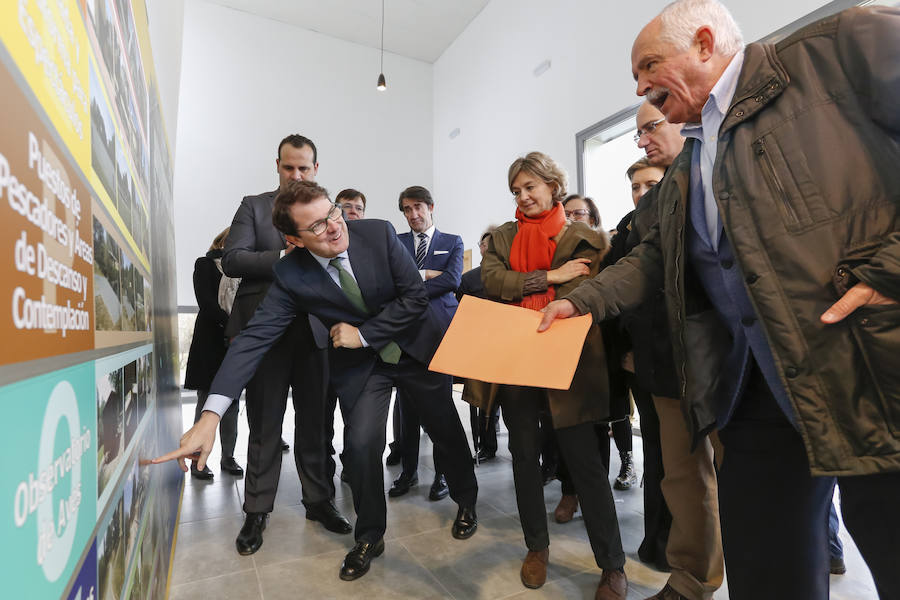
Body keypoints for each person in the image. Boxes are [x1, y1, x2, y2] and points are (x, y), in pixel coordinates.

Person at [540, 3, 900, 598]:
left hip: (872, 366)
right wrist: (583, 302)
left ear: (705, 43)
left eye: (648, 65)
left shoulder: (839, 47)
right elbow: (657, 256)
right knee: (764, 558)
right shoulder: (690, 159)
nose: (639, 88)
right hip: (755, 386)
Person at [155, 180, 479, 582]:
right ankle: (370, 536)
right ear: (293, 239)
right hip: (365, 368)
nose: (333, 226)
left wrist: (363, 334)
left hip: (414, 347)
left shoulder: (377, 233)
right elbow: (254, 339)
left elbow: (413, 297)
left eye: (333, 213)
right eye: (317, 226)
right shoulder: (291, 274)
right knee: (360, 446)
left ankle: (467, 501)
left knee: (445, 429)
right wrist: (210, 415)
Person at [479, 152, 627, 599]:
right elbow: (491, 281)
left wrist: (534, 281)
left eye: (530, 187)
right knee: (524, 458)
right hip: (517, 362)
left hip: (570, 364)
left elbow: (579, 290)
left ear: (552, 185)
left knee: (586, 465)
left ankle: (612, 564)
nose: (523, 197)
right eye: (516, 191)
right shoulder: (502, 236)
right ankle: (536, 547)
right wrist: (549, 275)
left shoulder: (585, 237)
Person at [221, 134, 349, 556]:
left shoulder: (326, 214)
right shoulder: (253, 206)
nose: (296, 175)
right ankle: (256, 510)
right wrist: (281, 257)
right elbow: (234, 258)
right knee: (265, 425)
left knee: (315, 424)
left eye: (304, 168)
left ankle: (319, 502)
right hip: (264, 331)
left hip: (316, 330)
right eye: (288, 167)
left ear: (316, 170)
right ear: (277, 166)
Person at [391, 185, 464, 501]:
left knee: (441, 410)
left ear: (431, 207)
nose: (413, 214)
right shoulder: (396, 242)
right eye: (407, 209)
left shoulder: (452, 241)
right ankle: (408, 473)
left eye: (418, 207)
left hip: (440, 334)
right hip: (406, 336)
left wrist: (413, 281)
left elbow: (452, 280)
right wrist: (426, 275)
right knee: (407, 411)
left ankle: (442, 475)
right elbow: (392, 283)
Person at [562, 194, 637, 493]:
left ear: (592, 217)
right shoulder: (559, 253)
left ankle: (626, 462)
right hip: (572, 344)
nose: (571, 218)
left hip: (606, 342)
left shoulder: (609, 249)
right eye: (566, 213)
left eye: (578, 213)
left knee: (614, 413)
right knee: (584, 421)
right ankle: (576, 488)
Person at [183, 227, 242, 479]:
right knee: (206, 400)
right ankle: (198, 459)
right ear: (221, 240)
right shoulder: (204, 264)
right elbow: (206, 302)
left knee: (233, 403)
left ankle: (228, 457)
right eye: (233, 239)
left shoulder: (245, 269)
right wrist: (231, 325)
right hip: (211, 340)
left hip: (237, 341)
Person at [457, 226, 500, 462]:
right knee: (482, 403)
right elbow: (460, 314)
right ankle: (485, 446)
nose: (489, 247)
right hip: (480, 348)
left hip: (508, 346)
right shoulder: (469, 279)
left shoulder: (513, 274)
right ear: (481, 248)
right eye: (485, 243)